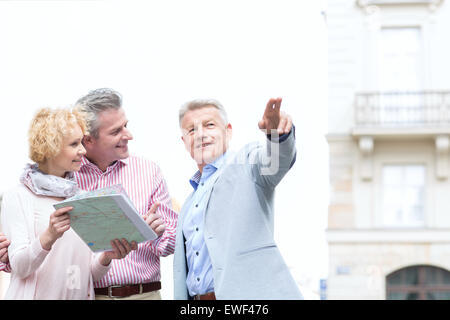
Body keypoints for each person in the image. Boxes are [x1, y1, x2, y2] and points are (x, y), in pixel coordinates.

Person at [0, 88, 178, 300]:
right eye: (115, 131)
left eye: (126, 126)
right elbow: (21, 261)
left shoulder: (84, 192)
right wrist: (17, 250)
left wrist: (111, 255)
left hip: (142, 293)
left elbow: (87, 269)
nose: (128, 135)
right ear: (88, 140)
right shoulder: (43, 189)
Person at [173, 97, 303, 300]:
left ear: (228, 131)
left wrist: (277, 136)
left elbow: (275, 163)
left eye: (209, 125)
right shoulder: (190, 203)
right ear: (184, 141)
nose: (200, 135)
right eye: (191, 130)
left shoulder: (247, 164)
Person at [0, 107, 135, 299]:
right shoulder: (18, 197)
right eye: (74, 144)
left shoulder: (83, 197)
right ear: (50, 148)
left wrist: (106, 257)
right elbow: (20, 268)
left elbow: (88, 276)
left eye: (81, 142)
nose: (82, 150)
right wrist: (49, 236)